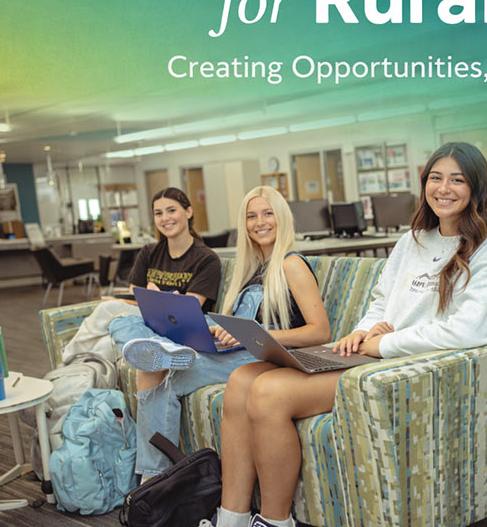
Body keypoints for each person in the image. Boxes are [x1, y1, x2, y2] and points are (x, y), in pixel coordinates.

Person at [203, 143, 487, 527]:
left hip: (400, 363)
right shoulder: (412, 241)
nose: (444, 188)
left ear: (476, 188)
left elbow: (469, 329)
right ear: (424, 185)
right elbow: (381, 302)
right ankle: (231, 522)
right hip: (374, 351)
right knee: (240, 380)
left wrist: (385, 344)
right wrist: (361, 331)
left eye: (457, 179)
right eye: (436, 178)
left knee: (268, 393)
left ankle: (275, 525)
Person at [113, 186, 328, 482]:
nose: (259, 222)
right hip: (237, 350)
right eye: (251, 216)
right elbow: (245, 323)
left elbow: (320, 331)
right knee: (134, 343)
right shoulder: (251, 267)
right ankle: (151, 479)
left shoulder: (290, 264)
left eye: (268, 214)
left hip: (268, 357)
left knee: (164, 373)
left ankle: (154, 481)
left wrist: (258, 333)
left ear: (282, 218)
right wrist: (225, 329)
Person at [124, 187, 224, 306]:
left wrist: (157, 299)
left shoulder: (207, 260)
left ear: (188, 212)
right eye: (158, 213)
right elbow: (132, 299)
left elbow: (188, 310)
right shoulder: (148, 252)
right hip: (143, 320)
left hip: (185, 324)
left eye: (171, 210)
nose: (165, 218)